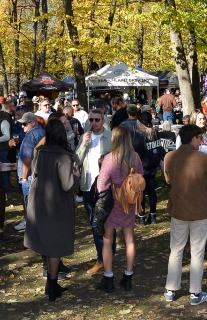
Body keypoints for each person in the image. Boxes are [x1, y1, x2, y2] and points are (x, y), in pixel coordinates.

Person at [25, 119, 79, 301]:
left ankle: (51, 283)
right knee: (54, 245)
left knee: (48, 243)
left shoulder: (40, 152)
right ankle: (52, 285)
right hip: (56, 205)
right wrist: (77, 177)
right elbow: (67, 184)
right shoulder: (63, 155)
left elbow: (35, 172)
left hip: (39, 202)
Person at [162, 124, 207, 306]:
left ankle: (170, 289)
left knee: (176, 250)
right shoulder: (202, 158)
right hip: (199, 210)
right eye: (200, 138)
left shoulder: (169, 156)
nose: (201, 142)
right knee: (197, 252)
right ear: (194, 138)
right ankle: (195, 293)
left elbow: (168, 179)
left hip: (178, 209)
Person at [95, 127, 144, 293]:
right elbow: (140, 181)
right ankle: (128, 278)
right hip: (130, 203)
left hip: (113, 203)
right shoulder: (135, 158)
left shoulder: (110, 158)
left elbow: (101, 185)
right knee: (129, 240)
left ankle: (109, 278)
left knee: (108, 240)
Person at [76, 109, 116, 275]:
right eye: (91, 120)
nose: (93, 123)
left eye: (97, 120)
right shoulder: (84, 137)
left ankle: (105, 259)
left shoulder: (111, 137)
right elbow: (76, 161)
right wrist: (83, 145)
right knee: (95, 224)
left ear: (103, 120)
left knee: (105, 224)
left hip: (105, 188)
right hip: (87, 186)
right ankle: (103, 258)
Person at [15, 112, 45, 231]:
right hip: (41, 175)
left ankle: (34, 235)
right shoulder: (43, 133)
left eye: (24, 124)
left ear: (33, 123)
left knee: (31, 209)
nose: (22, 127)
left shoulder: (30, 137)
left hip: (30, 177)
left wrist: (23, 177)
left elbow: (27, 159)